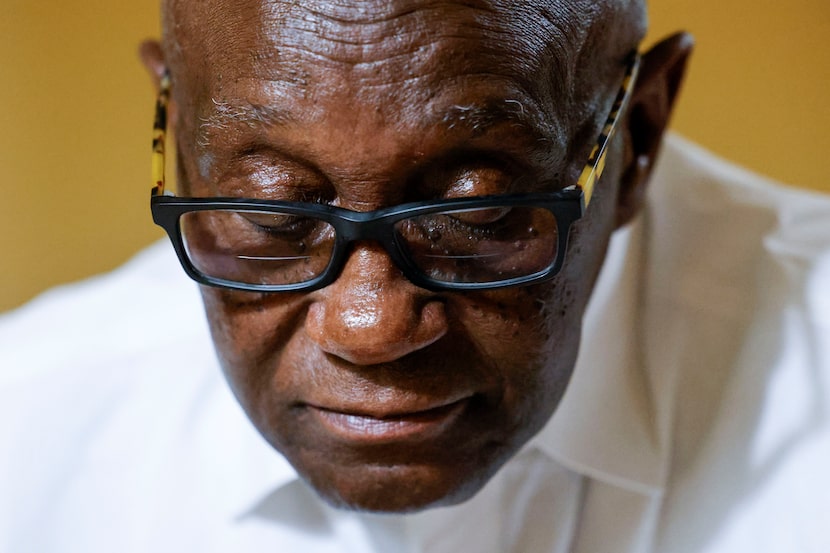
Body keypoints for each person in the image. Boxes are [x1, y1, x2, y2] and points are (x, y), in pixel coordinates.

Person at [1, 0, 828, 551]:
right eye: (274, 209)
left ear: (638, 138)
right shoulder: (32, 437)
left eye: (474, 212)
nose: (371, 327)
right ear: (181, 134)